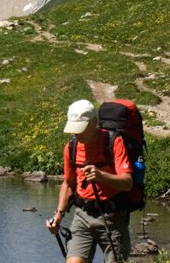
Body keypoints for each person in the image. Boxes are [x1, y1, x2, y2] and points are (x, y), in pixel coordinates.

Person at [46, 100, 133, 262]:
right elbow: (69, 183)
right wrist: (58, 214)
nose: (77, 134)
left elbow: (127, 183)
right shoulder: (71, 147)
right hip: (82, 216)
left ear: (94, 122)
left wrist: (100, 175)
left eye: (81, 129)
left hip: (113, 217)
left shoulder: (114, 142)